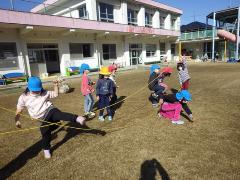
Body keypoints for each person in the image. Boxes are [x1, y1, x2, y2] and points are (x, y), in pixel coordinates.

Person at [15, 77, 86, 159]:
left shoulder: (44, 92)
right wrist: (17, 120)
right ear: (29, 88)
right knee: (45, 132)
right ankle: (46, 149)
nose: (37, 91)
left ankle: (77, 118)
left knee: (58, 114)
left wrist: (55, 85)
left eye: (38, 89)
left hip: (49, 110)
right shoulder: (23, 97)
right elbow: (19, 109)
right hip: (41, 117)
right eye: (35, 90)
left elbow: (55, 94)